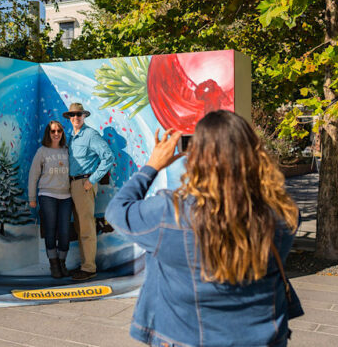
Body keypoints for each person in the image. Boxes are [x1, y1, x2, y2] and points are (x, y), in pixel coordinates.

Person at [105, 110, 301, 346]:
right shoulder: (283, 214)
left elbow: (117, 211)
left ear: (197, 159)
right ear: (253, 154)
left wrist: (152, 165)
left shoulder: (170, 214)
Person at [63, 103, 114, 281]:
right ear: (69, 117)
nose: (76, 118)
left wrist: (91, 181)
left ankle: (89, 268)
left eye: (79, 115)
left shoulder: (91, 135)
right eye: (73, 115)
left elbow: (108, 157)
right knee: (79, 226)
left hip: (83, 184)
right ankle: (85, 264)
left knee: (86, 227)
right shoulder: (71, 137)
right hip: (72, 184)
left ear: (84, 116)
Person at [28, 120, 72, 278]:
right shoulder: (42, 151)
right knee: (51, 231)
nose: (56, 134)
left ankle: (62, 263)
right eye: (53, 131)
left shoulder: (67, 150)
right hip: (47, 195)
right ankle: (54, 265)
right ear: (48, 133)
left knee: (65, 232)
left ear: (62, 133)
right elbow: (33, 176)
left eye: (59, 131)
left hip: (66, 196)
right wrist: (32, 198)